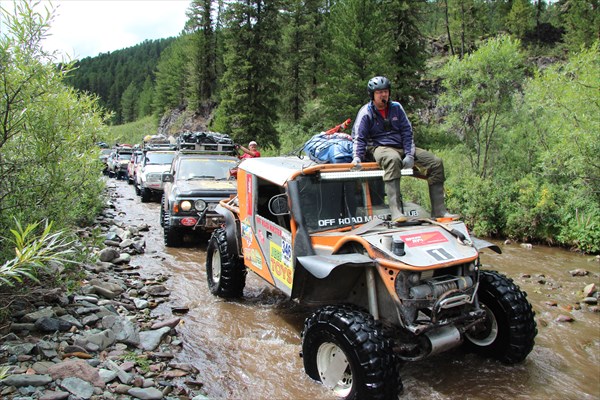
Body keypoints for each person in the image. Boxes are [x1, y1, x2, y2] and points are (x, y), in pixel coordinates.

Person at [352, 76, 458, 222]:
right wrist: (356, 158)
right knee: (392, 159)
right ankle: (395, 211)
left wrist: (409, 154)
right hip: (379, 146)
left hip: (401, 146)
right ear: (372, 95)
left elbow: (407, 132)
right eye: (379, 92)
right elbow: (359, 137)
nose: (383, 95)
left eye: (385, 91)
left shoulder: (396, 108)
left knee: (435, 162)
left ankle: (439, 211)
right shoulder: (366, 112)